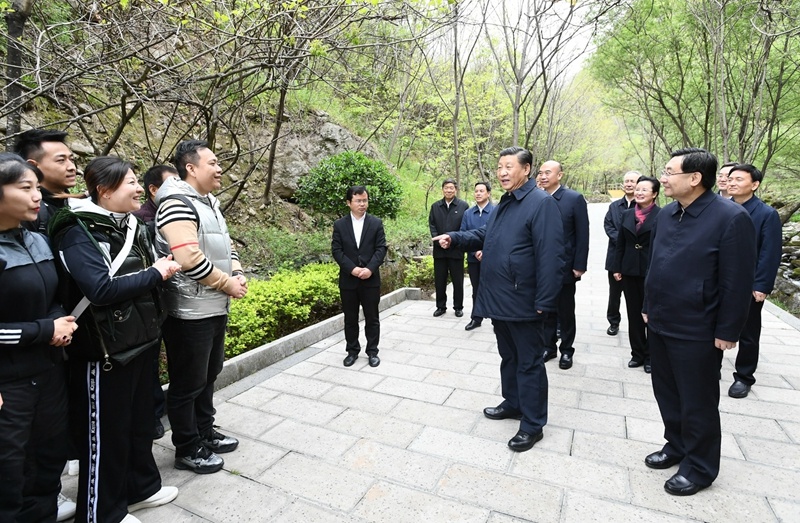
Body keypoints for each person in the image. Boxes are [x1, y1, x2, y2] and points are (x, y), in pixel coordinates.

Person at [49, 156, 181, 523]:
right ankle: (100, 513)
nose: (140, 189)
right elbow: (100, 289)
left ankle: (141, 488)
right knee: (105, 435)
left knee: (139, 423)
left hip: (138, 339)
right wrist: (156, 273)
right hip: (102, 349)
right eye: (131, 183)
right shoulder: (77, 230)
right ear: (105, 191)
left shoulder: (130, 224)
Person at [433, 147, 565, 452]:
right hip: (500, 297)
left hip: (524, 300)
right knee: (509, 356)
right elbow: (485, 235)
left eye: (509, 166)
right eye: (499, 167)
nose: (502, 172)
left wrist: (544, 302)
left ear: (526, 169)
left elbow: (552, 257)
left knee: (529, 363)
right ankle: (514, 402)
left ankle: (533, 424)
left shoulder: (540, 203)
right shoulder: (507, 201)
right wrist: (455, 237)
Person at [643, 147, 755, 496]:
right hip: (661, 320)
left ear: (694, 178)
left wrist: (728, 330)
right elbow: (654, 264)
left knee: (697, 401)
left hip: (698, 327)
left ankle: (700, 467)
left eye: (669, 172)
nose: (663, 178)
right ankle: (676, 445)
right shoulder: (667, 214)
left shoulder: (731, 218)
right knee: (667, 392)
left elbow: (738, 280)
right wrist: (647, 305)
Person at [155, 140, 248, 474]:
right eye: (213, 163)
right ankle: (187, 446)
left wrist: (236, 271)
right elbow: (188, 258)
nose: (219, 168)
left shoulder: (209, 202)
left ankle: (205, 431)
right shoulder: (176, 203)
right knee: (188, 382)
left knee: (209, 374)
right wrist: (227, 283)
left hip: (213, 305)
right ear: (191, 168)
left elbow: (226, 245)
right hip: (189, 310)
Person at [0, 153, 76, 522]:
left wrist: (57, 321)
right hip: (9, 383)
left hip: (47, 373)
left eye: (37, 187)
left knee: (48, 458)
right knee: (9, 472)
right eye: (25, 187)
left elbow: (52, 297)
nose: (37, 196)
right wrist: (46, 329)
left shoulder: (37, 240)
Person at [725, 164, 782, 399]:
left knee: (748, 332)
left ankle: (744, 376)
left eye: (739, 179)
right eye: (730, 179)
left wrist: (761, 285)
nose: (732, 182)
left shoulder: (766, 214)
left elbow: (770, 252)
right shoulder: (720, 209)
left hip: (747, 284)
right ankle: (711, 368)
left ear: (755, 185)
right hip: (719, 280)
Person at [133, 164, 178, 440]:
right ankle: (152, 415)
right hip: (150, 302)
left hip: (171, 301)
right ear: (153, 190)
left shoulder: (178, 212)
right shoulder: (141, 220)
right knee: (150, 362)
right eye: (172, 183)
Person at [537, 161, 589, 370]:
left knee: (565, 311)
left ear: (559, 175)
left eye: (548, 173)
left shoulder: (573, 199)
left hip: (565, 265)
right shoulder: (537, 198)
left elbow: (582, 234)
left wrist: (579, 264)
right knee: (545, 309)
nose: (543, 176)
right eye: (540, 173)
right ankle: (548, 347)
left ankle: (567, 350)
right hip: (541, 266)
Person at [331, 186, 387, 368]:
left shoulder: (376, 223)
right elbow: (337, 250)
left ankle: (372, 351)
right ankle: (352, 351)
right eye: (358, 201)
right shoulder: (340, 225)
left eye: (365, 200)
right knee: (350, 318)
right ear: (349, 203)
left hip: (370, 279)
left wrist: (370, 269)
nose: (362, 204)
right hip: (349, 280)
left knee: (372, 317)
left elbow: (381, 249)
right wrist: (352, 269)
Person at [611, 176, 661, 374]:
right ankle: (637, 353)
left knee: (651, 315)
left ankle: (651, 356)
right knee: (633, 313)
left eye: (644, 190)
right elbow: (620, 243)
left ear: (654, 194)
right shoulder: (627, 214)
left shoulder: (662, 215)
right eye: (638, 189)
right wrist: (617, 267)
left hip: (651, 269)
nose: (639, 193)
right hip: (629, 269)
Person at [16, 129, 78, 234]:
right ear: (32, 165)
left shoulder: (76, 204)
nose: (72, 167)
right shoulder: (26, 211)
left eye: (71, 160)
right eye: (61, 160)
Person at [603, 171, 638, 336]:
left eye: (632, 181)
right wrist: (623, 240)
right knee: (614, 293)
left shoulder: (642, 205)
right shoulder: (614, 206)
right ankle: (613, 321)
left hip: (635, 258)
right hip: (615, 256)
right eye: (626, 181)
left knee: (635, 294)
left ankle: (637, 324)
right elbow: (608, 225)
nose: (629, 184)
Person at [429, 178, 469, 317]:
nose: (449, 190)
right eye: (446, 188)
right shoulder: (435, 206)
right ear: (442, 189)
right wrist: (439, 241)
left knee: (457, 280)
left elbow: (465, 227)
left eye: (451, 188)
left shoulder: (463, 206)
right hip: (439, 250)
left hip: (456, 249)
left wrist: (452, 240)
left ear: (456, 190)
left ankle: (458, 307)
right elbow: (432, 226)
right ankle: (440, 306)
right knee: (440, 280)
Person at [459, 181, 494, 331]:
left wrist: (485, 251)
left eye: (481, 191)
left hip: (492, 258)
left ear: (488, 193)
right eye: (476, 191)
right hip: (474, 258)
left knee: (494, 288)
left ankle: (496, 319)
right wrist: (475, 251)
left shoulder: (496, 211)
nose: (478, 193)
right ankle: (476, 318)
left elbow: (499, 235)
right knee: (476, 289)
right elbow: (464, 234)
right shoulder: (468, 213)